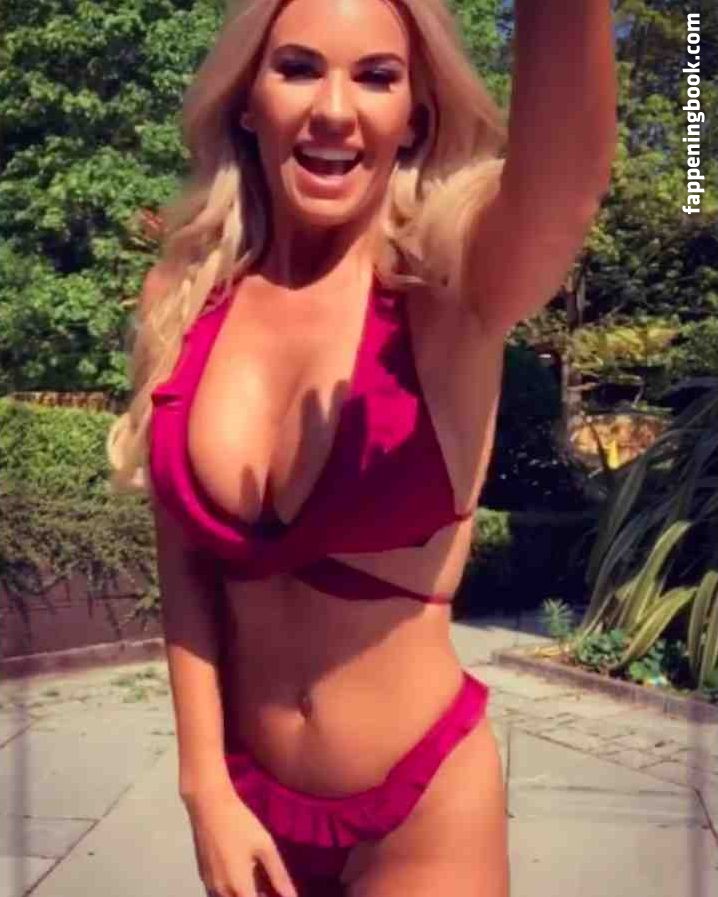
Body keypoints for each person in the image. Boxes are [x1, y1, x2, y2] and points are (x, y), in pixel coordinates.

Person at [107, 1, 617, 895]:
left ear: (415, 114)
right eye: (299, 67)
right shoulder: (185, 291)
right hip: (248, 803)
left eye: (377, 76)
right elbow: (184, 560)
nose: (335, 110)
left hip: (422, 817)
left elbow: (564, 187)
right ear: (247, 99)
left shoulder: (450, 285)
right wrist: (204, 785)